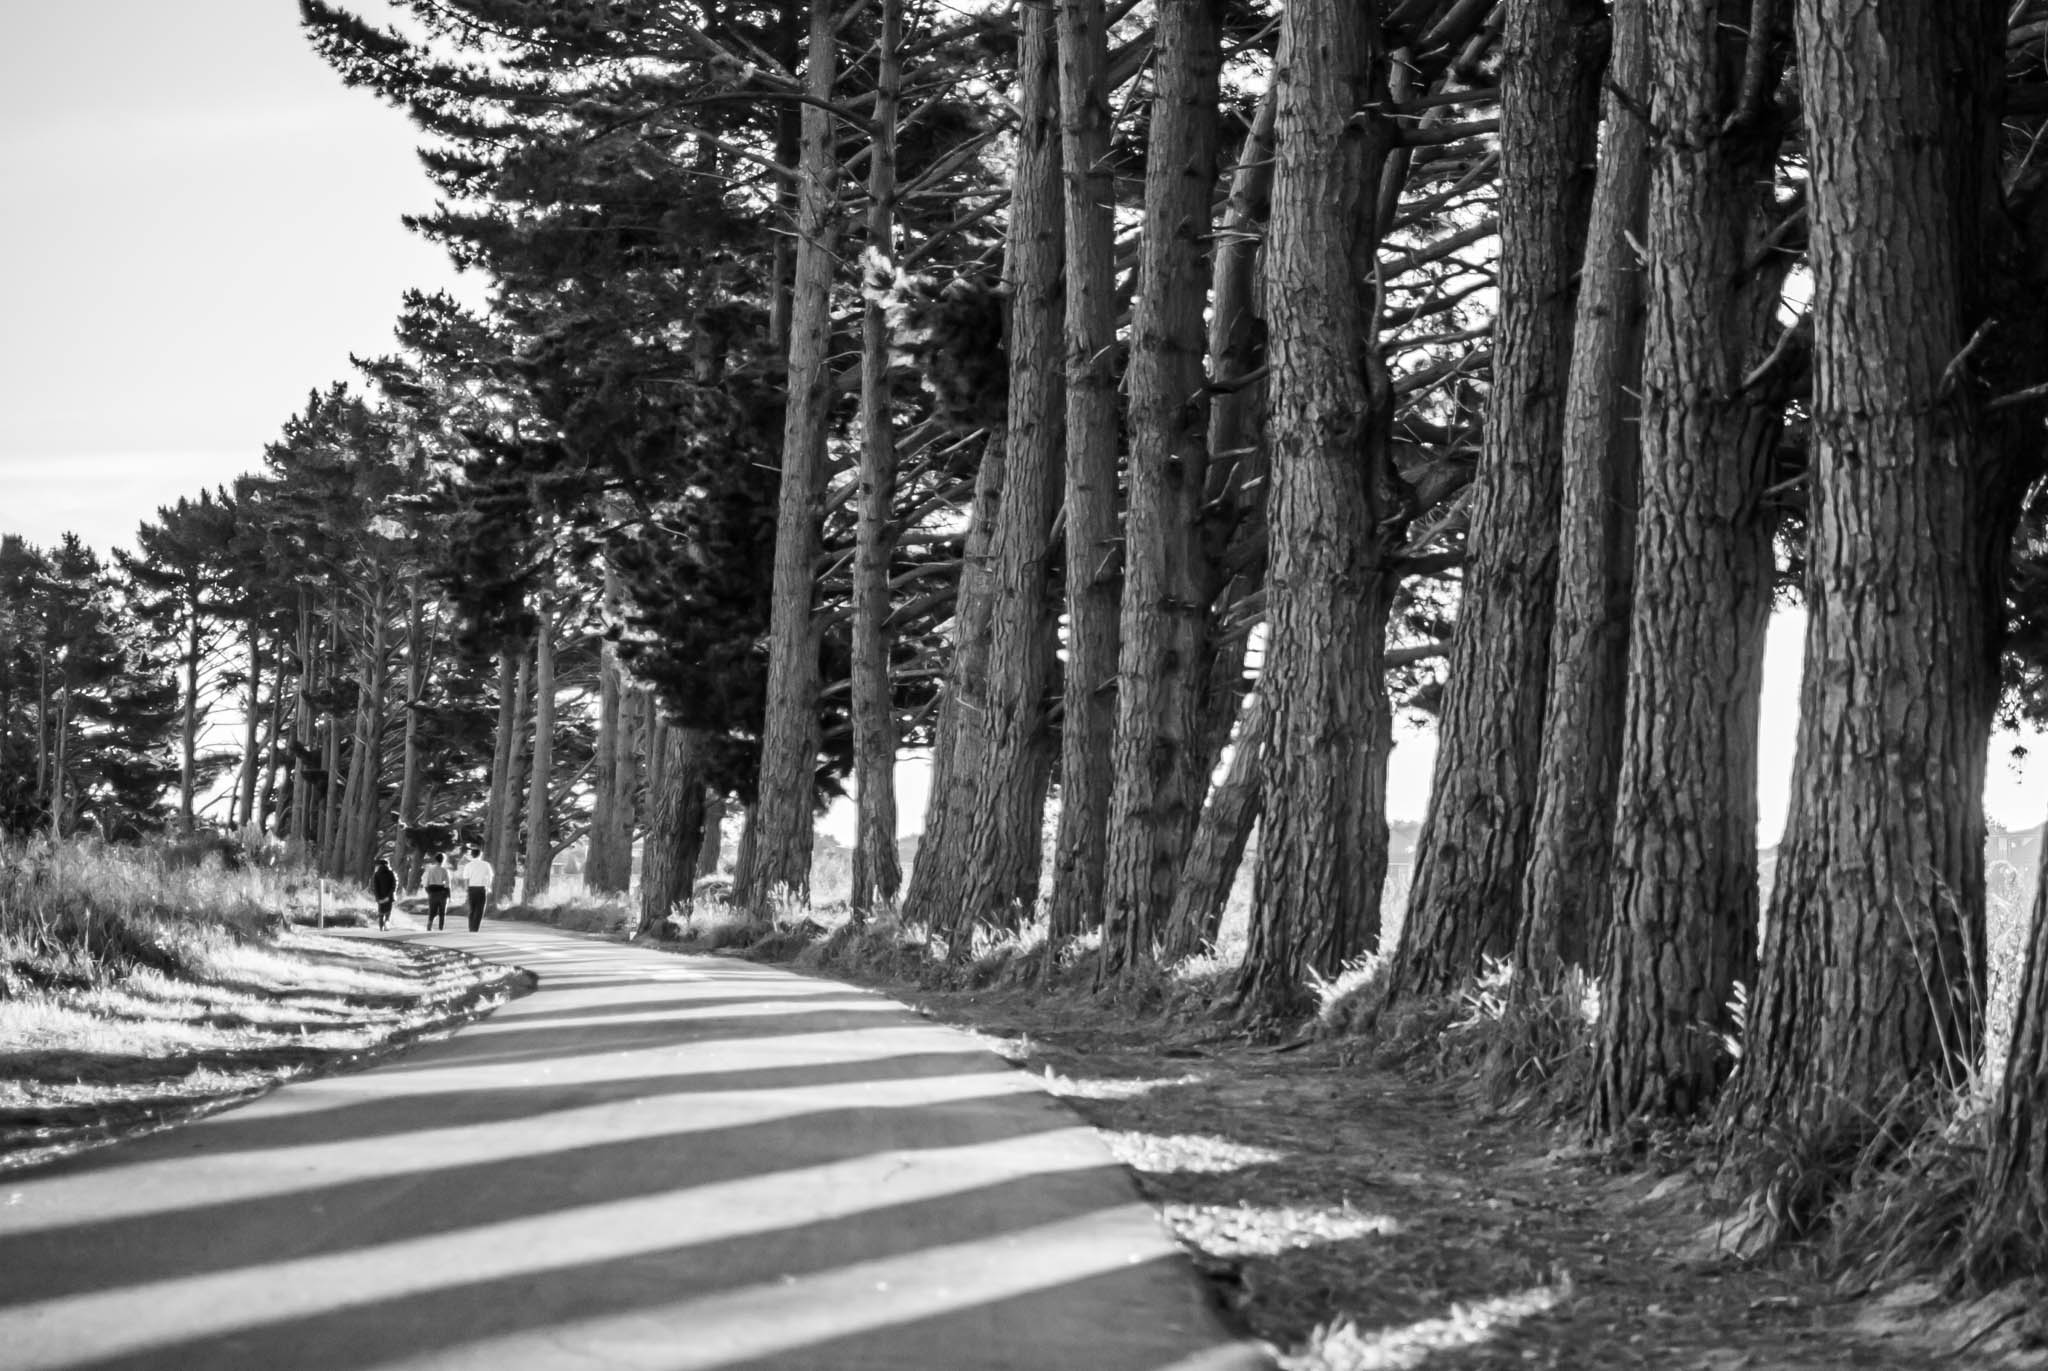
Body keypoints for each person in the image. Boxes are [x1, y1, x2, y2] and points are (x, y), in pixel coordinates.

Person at [461, 846, 494, 933]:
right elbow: (490, 877)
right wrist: (488, 886)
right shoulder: (486, 864)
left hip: (471, 888)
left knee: (472, 909)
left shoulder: (468, 865)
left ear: (471, 855)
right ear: (480, 854)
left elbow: (466, 878)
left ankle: (471, 927)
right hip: (481, 888)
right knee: (479, 909)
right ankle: (475, 928)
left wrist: (466, 889)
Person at [421, 852, 452, 931]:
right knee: (442, 912)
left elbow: (426, 883)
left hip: (432, 891)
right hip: (442, 892)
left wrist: (428, 893)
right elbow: (448, 883)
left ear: (435, 860)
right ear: (443, 860)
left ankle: (429, 924)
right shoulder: (445, 870)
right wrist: (449, 895)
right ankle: (440, 928)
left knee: (432, 911)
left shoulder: (430, 870)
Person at [371, 858, 397, 930]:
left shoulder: (377, 874)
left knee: (381, 912)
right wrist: (389, 895)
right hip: (389, 897)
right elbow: (394, 886)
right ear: (387, 864)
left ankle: (380, 927)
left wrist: (378, 897)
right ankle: (386, 925)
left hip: (380, 897)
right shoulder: (391, 873)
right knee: (388, 913)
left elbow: (375, 887)